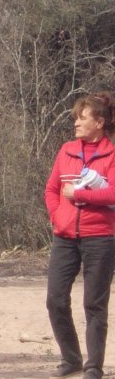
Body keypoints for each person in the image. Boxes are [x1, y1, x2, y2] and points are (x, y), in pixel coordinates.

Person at [44, 92, 115, 379]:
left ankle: (93, 366)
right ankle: (71, 357)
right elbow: (51, 189)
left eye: (81, 118)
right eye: (75, 118)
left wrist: (83, 194)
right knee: (55, 299)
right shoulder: (66, 151)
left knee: (94, 304)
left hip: (100, 236)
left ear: (99, 122)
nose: (76, 123)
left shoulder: (112, 155)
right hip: (65, 236)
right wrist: (56, 215)